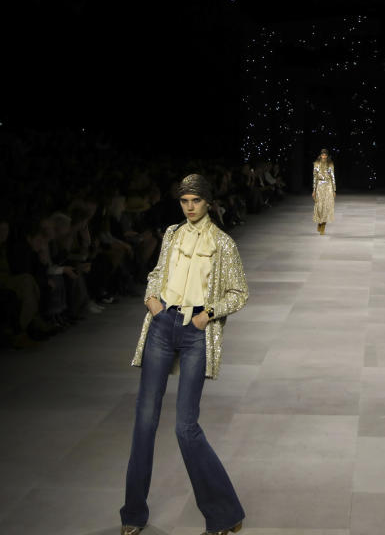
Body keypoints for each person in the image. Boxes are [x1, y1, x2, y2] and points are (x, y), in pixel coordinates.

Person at [120, 174, 248, 535]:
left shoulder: (223, 243)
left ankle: (225, 514)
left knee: (185, 427)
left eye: (195, 201)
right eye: (184, 201)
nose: (190, 207)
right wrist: (151, 300)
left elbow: (239, 292)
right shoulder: (172, 234)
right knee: (144, 421)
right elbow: (158, 272)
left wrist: (207, 315)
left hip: (195, 331)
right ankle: (132, 514)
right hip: (162, 324)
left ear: (208, 202)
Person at [312, 149, 336, 235]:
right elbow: (314, 177)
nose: (324, 156)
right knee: (319, 206)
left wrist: (334, 189)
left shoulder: (330, 164)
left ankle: (323, 226)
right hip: (319, 186)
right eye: (323, 155)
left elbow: (332, 176)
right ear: (320, 155)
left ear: (327, 155)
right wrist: (314, 190)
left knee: (327, 206)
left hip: (328, 185)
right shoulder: (316, 164)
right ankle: (319, 222)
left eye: (325, 155)